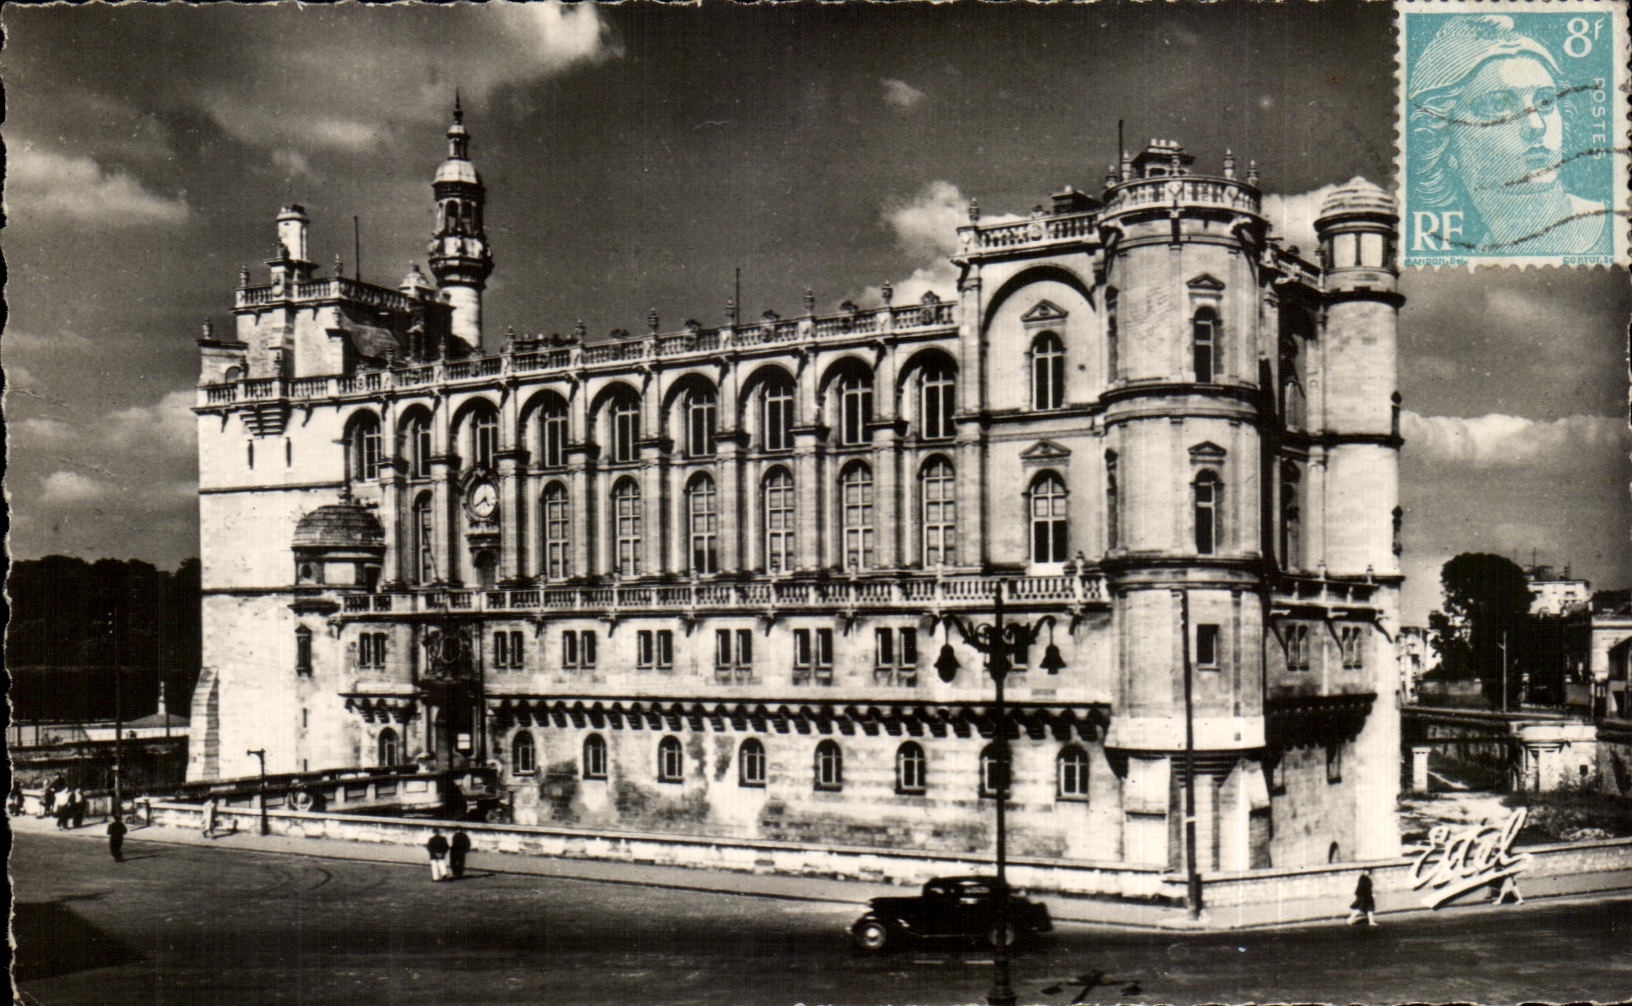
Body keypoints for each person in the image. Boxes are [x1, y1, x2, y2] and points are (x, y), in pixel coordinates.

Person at [1408, 14, 1608, 255]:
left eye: (1545, 101)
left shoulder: (1614, 229)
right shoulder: (1481, 256)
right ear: (1444, 140)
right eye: (1498, 105)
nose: (1535, 126)